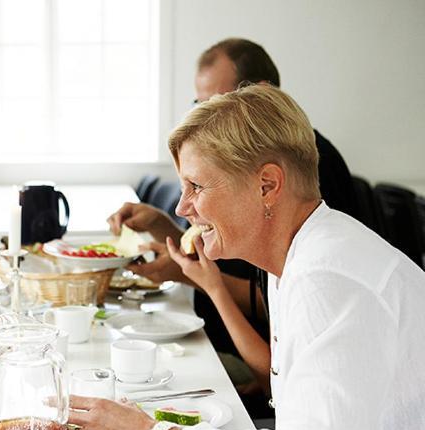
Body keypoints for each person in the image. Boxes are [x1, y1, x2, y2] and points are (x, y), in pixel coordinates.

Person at [70, 85, 425, 430]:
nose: (182, 208)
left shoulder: (327, 278)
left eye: (196, 186)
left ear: (267, 185)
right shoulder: (302, 257)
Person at [109, 38, 357, 399]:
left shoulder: (306, 197)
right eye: (200, 105)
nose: (207, 115)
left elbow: (278, 350)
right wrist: (166, 228)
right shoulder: (279, 239)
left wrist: (198, 280)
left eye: (218, 104)